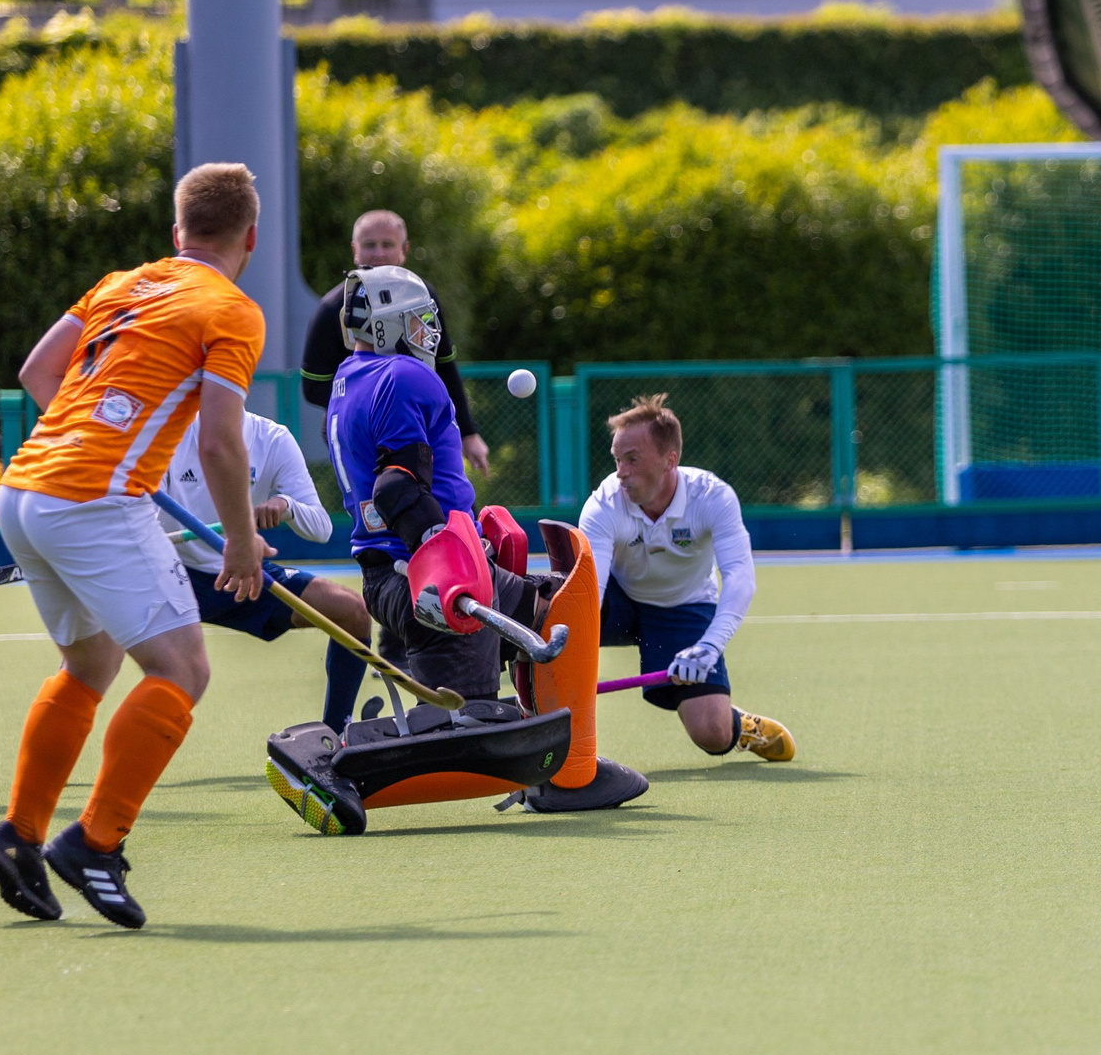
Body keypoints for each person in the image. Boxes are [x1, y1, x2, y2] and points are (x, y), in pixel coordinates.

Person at [0, 162, 272, 929]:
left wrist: (102, 440)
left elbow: (39, 372)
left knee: (91, 663)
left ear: (177, 234)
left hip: (24, 490)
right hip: (92, 500)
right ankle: (95, 843)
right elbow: (220, 445)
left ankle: (19, 837)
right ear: (251, 237)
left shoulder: (120, 282)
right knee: (183, 667)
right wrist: (241, 541)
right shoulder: (232, 310)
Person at [326, 265, 545, 702]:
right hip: (431, 569)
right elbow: (396, 489)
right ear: (386, 323)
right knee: (466, 718)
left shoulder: (348, 377)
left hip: (394, 570)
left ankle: (562, 747)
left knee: (560, 611)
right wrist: (442, 566)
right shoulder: (404, 374)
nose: (427, 331)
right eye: (415, 318)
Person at [577, 395, 794, 763]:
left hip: (684, 605)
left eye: (632, 459)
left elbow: (740, 578)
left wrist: (708, 647)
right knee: (549, 610)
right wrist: (567, 652)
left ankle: (740, 725)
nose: (621, 472)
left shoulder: (712, 497)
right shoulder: (603, 504)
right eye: (617, 459)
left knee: (712, 734)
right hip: (620, 600)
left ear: (669, 461)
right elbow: (589, 589)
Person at [157, 407, 377, 732]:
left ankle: (334, 737)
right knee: (93, 653)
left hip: (242, 573)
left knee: (352, 613)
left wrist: (285, 506)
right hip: (166, 572)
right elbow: (139, 517)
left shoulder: (272, 438)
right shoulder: (166, 430)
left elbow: (321, 527)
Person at [300, 209, 487, 475]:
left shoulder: (423, 297)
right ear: (355, 249)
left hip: (420, 420)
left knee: (446, 497)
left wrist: (468, 433)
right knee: (383, 504)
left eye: (387, 244)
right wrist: (375, 400)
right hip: (359, 428)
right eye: (369, 245)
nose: (378, 253)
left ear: (404, 250)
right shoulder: (333, 307)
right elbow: (313, 386)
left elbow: (444, 365)